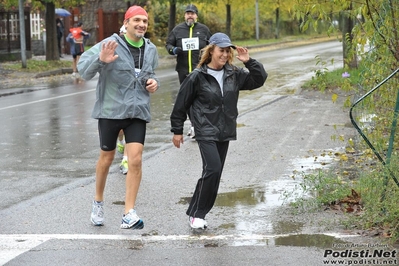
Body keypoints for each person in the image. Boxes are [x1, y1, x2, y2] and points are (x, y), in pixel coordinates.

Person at [170, 32, 267, 229]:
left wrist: (249, 62)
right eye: (221, 50)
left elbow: (259, 80)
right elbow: (181, 104)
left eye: (227, 51)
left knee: (213, 173)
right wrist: (177, 130)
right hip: (205, 129)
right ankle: (197, 214)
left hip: (225, 130)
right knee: (213, 169)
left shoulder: (234, 74)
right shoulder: (197, 76)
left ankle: (196, 212)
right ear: (211, 50)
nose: (225, 55)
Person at [77, 5, 159, 229]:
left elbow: (150, 74)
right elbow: (83, 71)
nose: (142, 24)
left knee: (136, 159)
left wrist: (153, 83)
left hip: (137, 111)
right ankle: (98, 202)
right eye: (137, 20)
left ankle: (128, 213)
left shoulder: (150, 49)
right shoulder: (109, 44)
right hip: (111, 111)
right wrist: (101, 60)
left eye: (145, 21)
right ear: (127, 22)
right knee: (106, 158)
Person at [166, 4, 211, 138]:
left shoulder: (204, 30)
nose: (190, 15)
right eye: (187, 13)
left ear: (196, 15)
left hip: (201, 70)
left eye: (192, 13)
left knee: (201, 98)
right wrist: (173, 50)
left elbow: (212, 44)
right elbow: (168, 44)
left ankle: (202, 124)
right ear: (185, 15)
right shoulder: (177, 30)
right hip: (183, 70)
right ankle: (193, 126)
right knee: (188, 99)